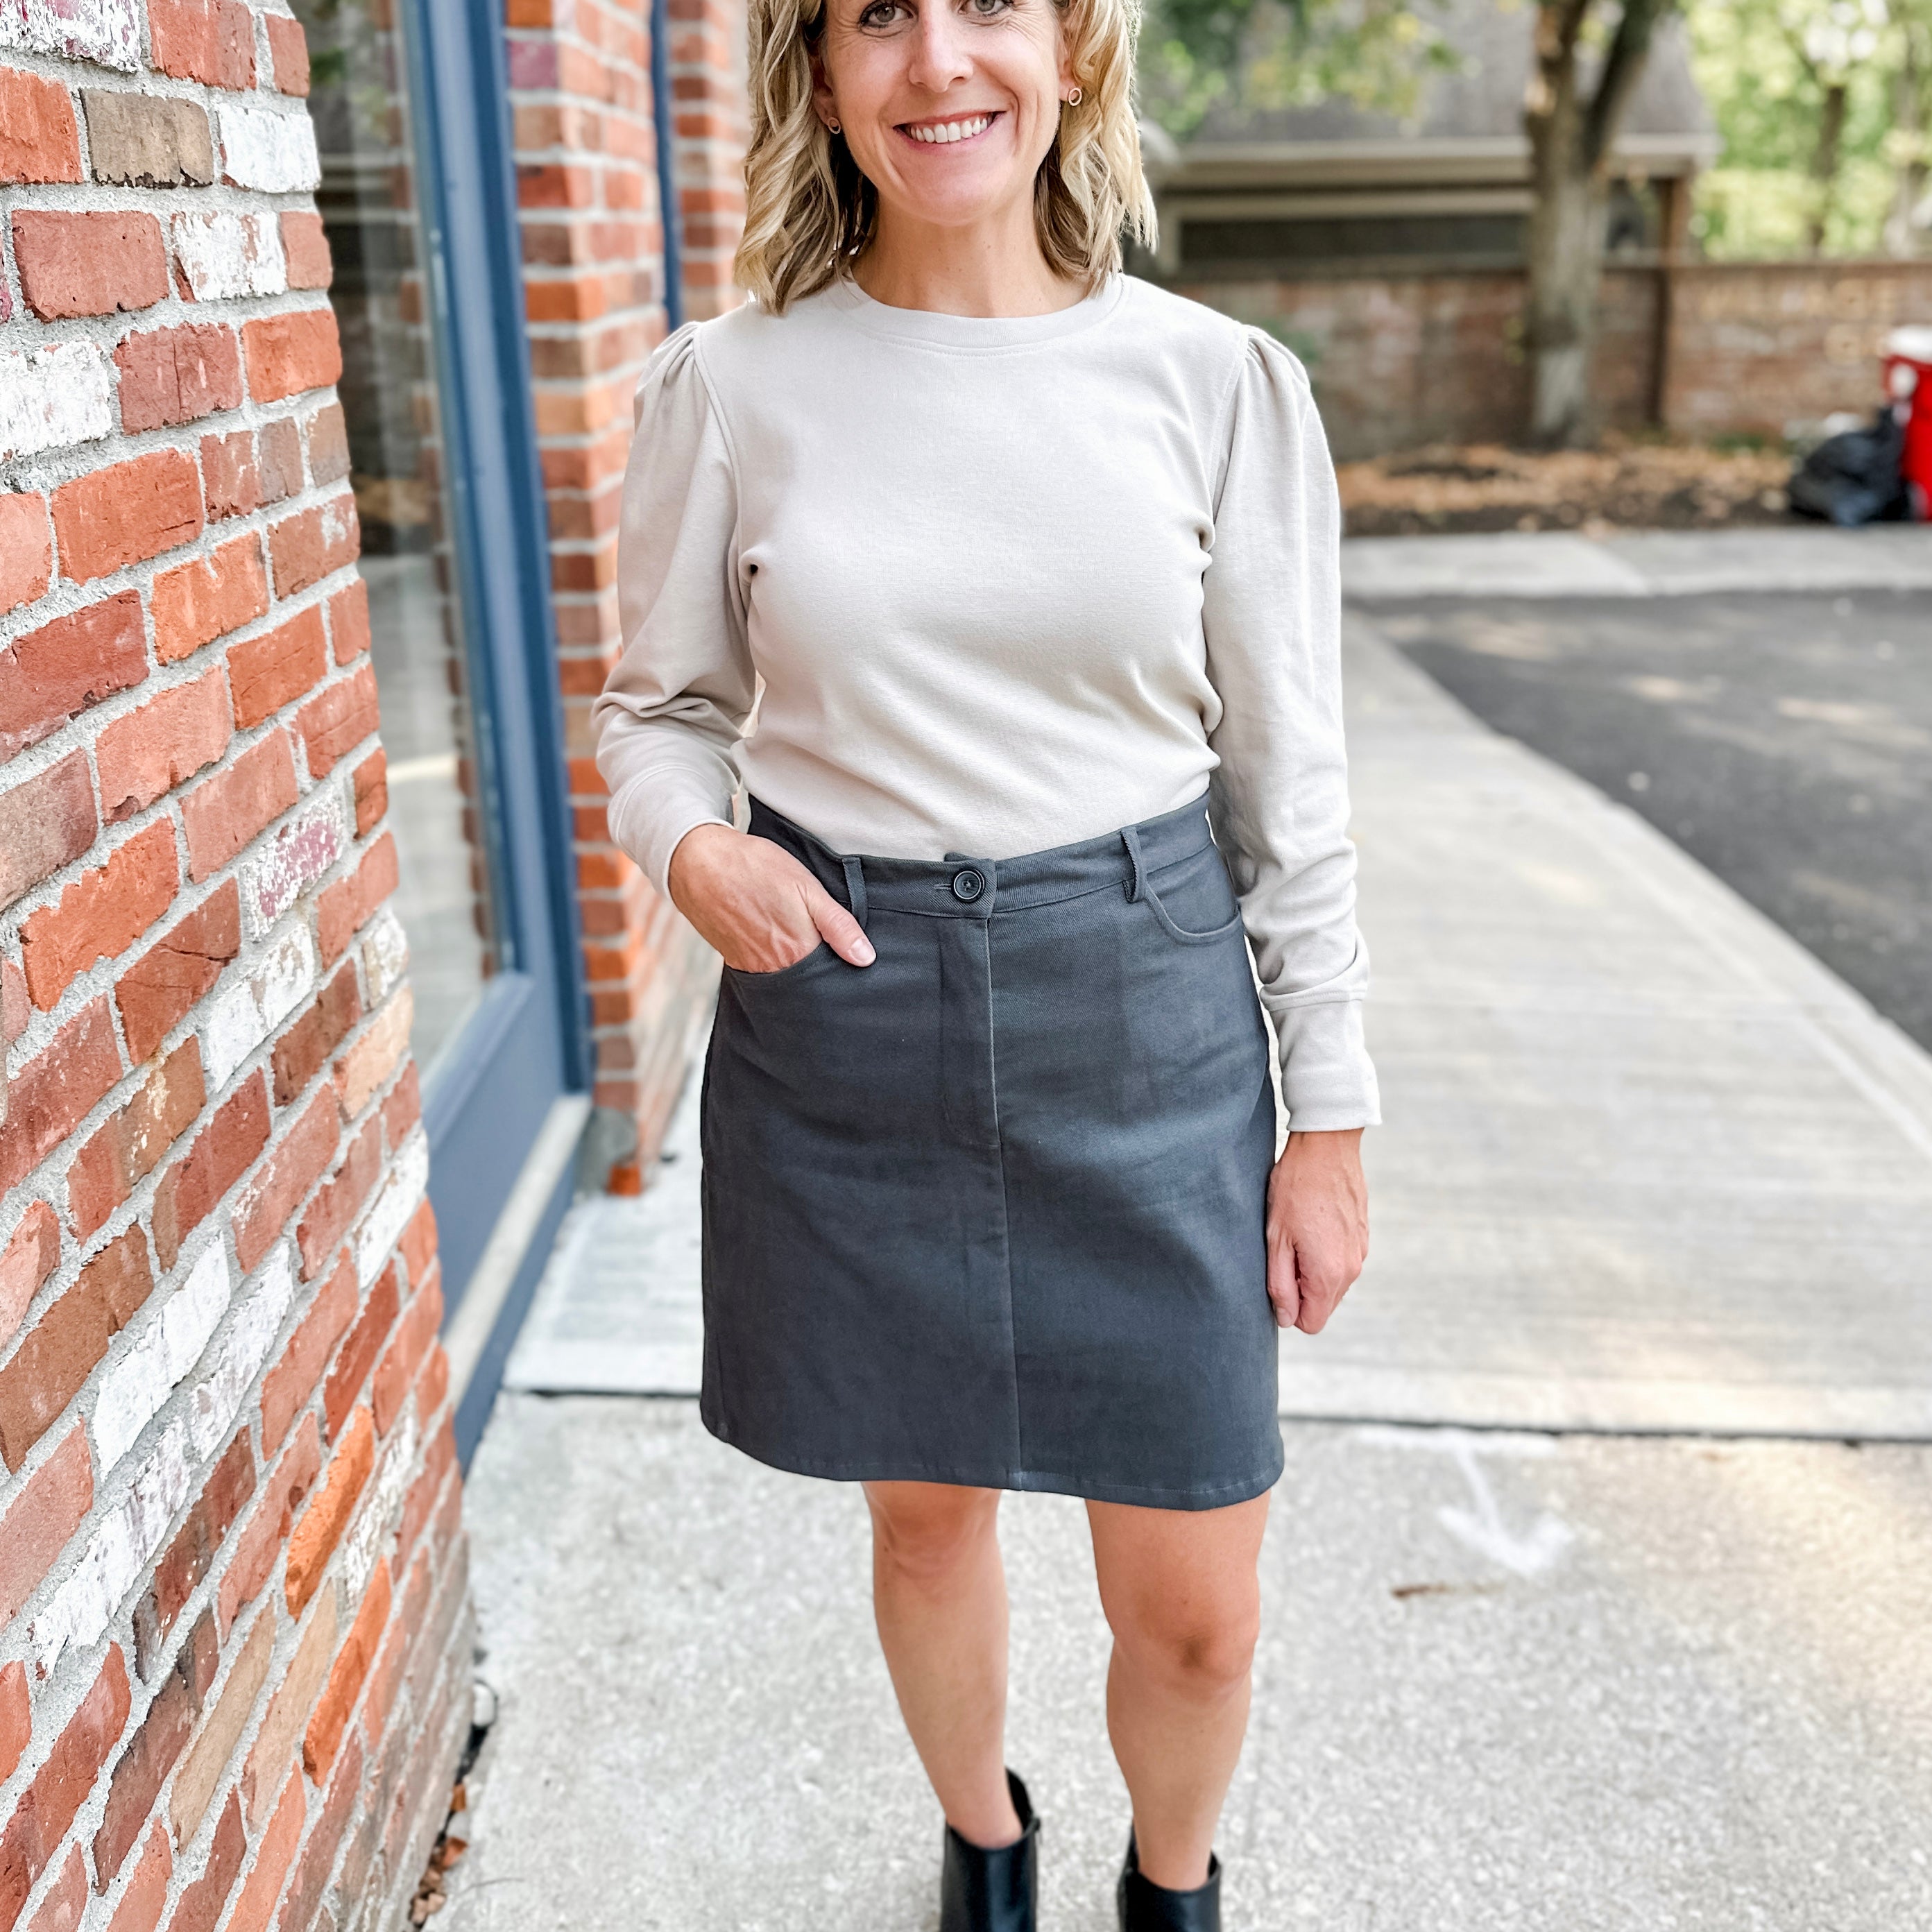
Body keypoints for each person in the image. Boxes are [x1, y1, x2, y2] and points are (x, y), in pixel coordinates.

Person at [591, 0, 1377, 1917]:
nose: (937, 59)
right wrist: (692, 844)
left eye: (987, 7)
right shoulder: (733, 384)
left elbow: (1290, 783)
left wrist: (1330, 1117)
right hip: (852, 1022)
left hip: (1148, 1016)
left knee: (1197, 1605)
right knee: (927, 1520)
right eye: (877, 16)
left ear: (1075, 48)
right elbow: (658, 711)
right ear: (819, 73)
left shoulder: (1214, 383)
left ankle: (1169, 1886)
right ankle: (986, 1846)